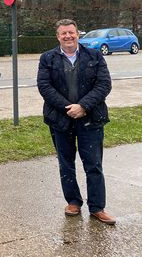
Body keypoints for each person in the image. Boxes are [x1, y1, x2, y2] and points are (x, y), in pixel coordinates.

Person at [37, 18, 116, 225]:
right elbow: (44, 87)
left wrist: (83, 106)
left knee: (94, 164)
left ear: (77, 34)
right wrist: (68, 108)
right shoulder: (47, 58)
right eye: (63, 33)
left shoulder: (94, 56)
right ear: (58, 36)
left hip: (90, 118)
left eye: (71, 32)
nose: (68, 36)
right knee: (66, 163)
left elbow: (104, 84)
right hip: (60, 119)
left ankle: (97, 207)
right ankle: (73, 202)